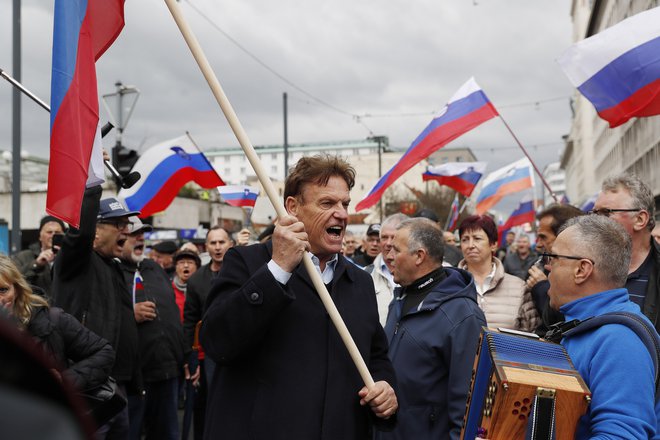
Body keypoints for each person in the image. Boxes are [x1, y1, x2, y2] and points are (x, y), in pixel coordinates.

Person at [200, 155, 398, 440]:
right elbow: (218, 342)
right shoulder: (247, 263)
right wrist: (277, 270)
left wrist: (386, 388)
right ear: (292, 208)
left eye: (345, 204)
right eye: (327, 203)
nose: (341, 214)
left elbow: (376, 359)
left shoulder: (360, 283)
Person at [544, 215, 659, 439]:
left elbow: (622, 436)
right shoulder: (584, 327)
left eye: (553, 258)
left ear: (582, 270)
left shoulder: (619, 341)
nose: (547, 267)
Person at [378, 218, 485, 440]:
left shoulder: (464, 316)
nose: (389, 257)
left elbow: (466, 405)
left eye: (396, 250)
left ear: (419, 256)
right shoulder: (400, 299)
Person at [51, 187, 140, 440]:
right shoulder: (77, 262)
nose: (126, 229)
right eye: (118, 223)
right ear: (95, 231)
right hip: (86, 392)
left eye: (127, 223)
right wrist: (91, 185)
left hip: (114, 389)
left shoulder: (113, 266)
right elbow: (79, 234)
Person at [0, 254, 114, 394]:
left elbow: (104, 352)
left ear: (17, 289)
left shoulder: (53, 320)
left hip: (46, 412)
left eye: (3, 290)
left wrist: (64, 380)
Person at [118, 217, 184, 440]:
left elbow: (173, 315)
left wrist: (183, 357)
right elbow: (101, 318)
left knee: (167, 433)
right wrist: (130, 316)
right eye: (133, 233)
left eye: (142, 233)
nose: (140, 237)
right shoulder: (112, 271)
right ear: (119, 238)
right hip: (134, 377)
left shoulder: (154, 268)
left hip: (167, 371)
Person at [182, 225, 234, 440]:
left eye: (221, 242)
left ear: (229, 244)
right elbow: (190, 321)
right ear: (207, 247)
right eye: (213, 243)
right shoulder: (196, 281)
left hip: (239, 347)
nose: (218, 247)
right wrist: (189, 357)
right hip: (211, 354)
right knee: (213, 401)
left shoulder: (240, 272)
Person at [592, 174, 660, 332]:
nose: (595, 221)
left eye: (606, 213)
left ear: (640, 219)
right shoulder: (583, 266)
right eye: (594, 213)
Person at [458, 215, 538, 331]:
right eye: (465, 239)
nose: (470, 245)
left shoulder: (519, 287)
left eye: (477, 239)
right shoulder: (449, 285)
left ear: (493, 244)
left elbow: (532, 337)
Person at [523, 204, 584, 334]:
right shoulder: (538, 267)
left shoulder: (583, 276)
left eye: (544, 237)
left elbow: (562, 324)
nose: (538, 244)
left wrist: (542, 287)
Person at [365, 213, 408, 326]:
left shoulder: (421, 274)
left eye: (393, 237)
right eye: (384, 237)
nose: (389, 243)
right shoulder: (365, 275)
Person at [12, 215, 65, 296]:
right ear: (40, 236)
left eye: (57, 233)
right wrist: (36, 264)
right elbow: (14, 282)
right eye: (49, 232)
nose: (53, 235)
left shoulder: (70, 257)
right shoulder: (23, 256)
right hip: (36, 306)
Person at [172, 249, 201, 322]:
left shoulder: (203, 288)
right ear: (175, 267)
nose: (186, 265)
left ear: (197, 267)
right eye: (181, 262)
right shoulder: (168, 289)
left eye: (190, 262)